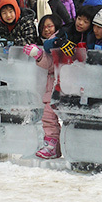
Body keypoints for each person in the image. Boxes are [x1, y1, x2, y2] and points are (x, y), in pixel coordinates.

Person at [23, 14, 65, 159]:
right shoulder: (45, 42)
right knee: (48, 116)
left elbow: (54, 64)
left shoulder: (60, 41)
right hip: (51, 87)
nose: (46, 30)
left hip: (64, 85)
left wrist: (39, 55)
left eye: (49, 26)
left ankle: (65, 145)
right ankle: (52, 145)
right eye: (43, 27)